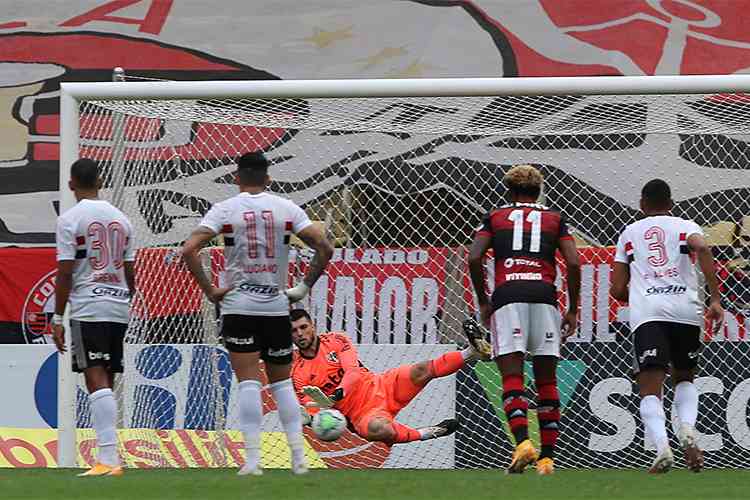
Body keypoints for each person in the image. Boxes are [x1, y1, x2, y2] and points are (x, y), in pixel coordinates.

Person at [182, 151, 333, 476]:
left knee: (248, 384)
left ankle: (252, 462)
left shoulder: (224, 210)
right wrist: (304, 287)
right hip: (276, 307)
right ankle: (299, 459)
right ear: (268, 178)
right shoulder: (286, 208)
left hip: (239, 307)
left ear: (237, 177)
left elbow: (189, 249)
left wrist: (210, 290)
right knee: (281, 385)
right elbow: (325, 247)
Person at [468, 164, 581, 475]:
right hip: (544, 297)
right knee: (547, 380)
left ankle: (522, 443)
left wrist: (483, 300)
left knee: (512, 377)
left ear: (509, 190)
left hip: (508, 297)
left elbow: (475, 256)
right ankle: (547, 459)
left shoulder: (495, 217)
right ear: (539, 190)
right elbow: (572, 261)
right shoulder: (556, 219)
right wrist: (572, 308)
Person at [611, 179, 723, 474]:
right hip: (686, 311)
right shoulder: (687, 225)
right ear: (671, 204)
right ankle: (686, 427)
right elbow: (702, 247)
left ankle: (662, 447)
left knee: (650, 387)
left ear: (642, 204)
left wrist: (639, 288)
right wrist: (714, 298)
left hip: (649, 312)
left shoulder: (629, 232)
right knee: (684, 378)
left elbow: (617, 288)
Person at [290, 309, 491, 445]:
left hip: (381, 385)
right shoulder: (297, 372)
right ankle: (426, 433)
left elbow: (352, 372)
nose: (300, 333)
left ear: (313, 326)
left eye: (303, 327)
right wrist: (312, 418)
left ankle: (471, 352)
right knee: (382, 430)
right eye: (294, 330)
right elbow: (311, 408)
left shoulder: (336, 340)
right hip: (360, 415)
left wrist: (335, 395)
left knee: (421, 370)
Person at [52, 158, 136, 477]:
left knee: (94, 374)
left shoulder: (70, 219)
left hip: (89, 304)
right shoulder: (122, 219)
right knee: (107, 374)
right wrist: (125, 299)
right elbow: (131, 271)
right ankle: (108, 457)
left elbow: (64, 272)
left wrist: (58, 317)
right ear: (100, 181)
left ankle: (108, 459)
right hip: (118, 304)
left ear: (72, 183)